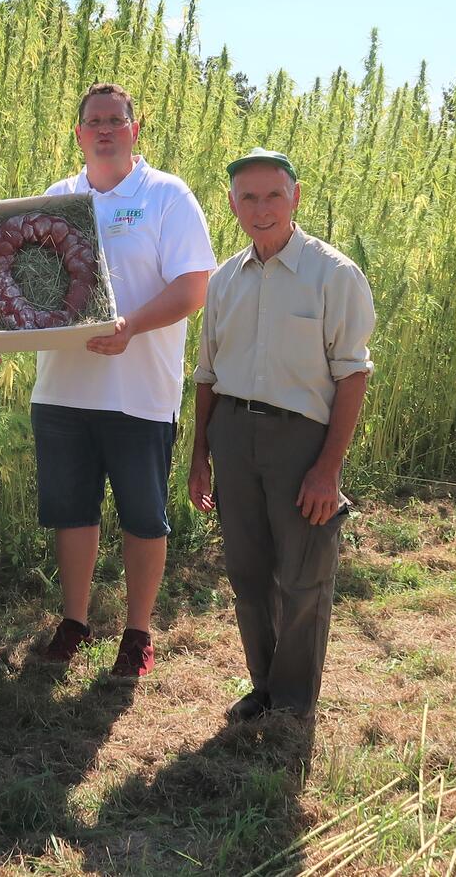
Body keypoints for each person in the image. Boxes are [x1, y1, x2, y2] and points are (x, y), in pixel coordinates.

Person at [26, 82, 216, 679]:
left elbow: (193, 289)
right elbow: (28, 284)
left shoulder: (166, 197)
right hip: (61, 391)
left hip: (140, 394)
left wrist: (130, 327)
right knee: (73, 512)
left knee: (143, 515)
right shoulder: (57, 199)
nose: (105, 129)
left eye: (116, 119)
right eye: (94, 121)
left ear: (136, 129)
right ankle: (75, 622)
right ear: (79, 134)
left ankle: (137, 634)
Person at [187, 148, 374, 723]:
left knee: (303, 575)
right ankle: (263, 686)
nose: (261, 208)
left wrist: (328, 470)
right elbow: (208, 375)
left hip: (301, 442)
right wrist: (200, 458)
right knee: (247, 571)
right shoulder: (223, 281)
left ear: (295, 196)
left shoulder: (333, 274)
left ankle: (294, 705)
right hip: (232, 435)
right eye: (248, 197)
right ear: (232, 204)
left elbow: (352, 373)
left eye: (273, 195)